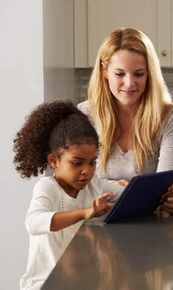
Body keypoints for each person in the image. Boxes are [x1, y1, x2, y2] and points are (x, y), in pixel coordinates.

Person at [14, 100, 125, 290]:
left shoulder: (94, 184)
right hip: (45, 284)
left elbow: (128, 195)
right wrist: (85, 212)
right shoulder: (47, 188)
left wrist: (160, 193)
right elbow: (33, 222)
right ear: (54, 161)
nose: (86, 171)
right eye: (77, 163)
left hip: (80, 282)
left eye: (92, 163)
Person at [78, 27, 173, 213]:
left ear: (150, 74)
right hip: (93, 222)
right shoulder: (84, 115)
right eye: (119, 74)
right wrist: (116, 187)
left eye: (139, 74)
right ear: (104, 71)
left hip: (150, 226)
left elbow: (161, 189)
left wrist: (171, 197)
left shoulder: (170, 119)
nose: (129, 83)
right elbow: (74, 182)